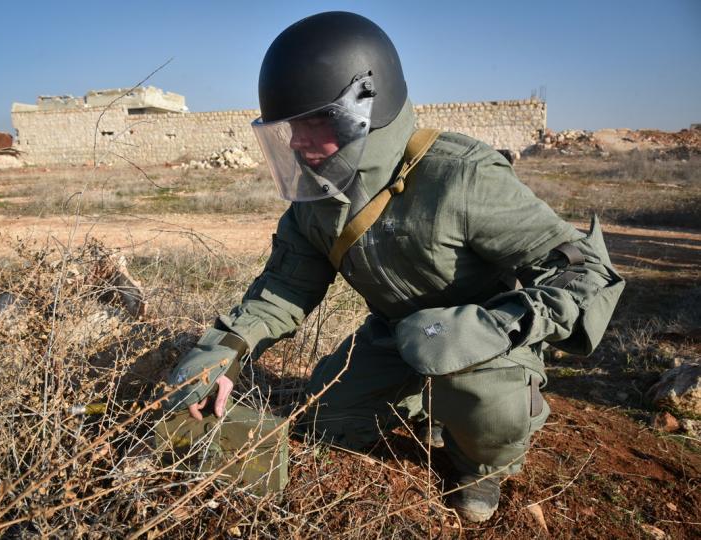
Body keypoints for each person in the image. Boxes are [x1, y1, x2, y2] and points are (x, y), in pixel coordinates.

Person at [166, 11, 624, 522]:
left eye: (312, 122)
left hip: (482, 343)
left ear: (366, 107)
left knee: (473, 386)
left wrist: (498, 324)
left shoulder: (463, 177)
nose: (296, 142)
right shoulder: (316, 202)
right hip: (394, 335)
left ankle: (486, 460)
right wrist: (221, 353)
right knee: (330, 424)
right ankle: (426, 400)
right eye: (290, 128)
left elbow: (585, 271)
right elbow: (281, 290)